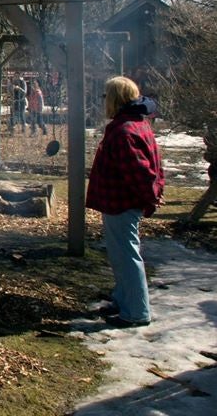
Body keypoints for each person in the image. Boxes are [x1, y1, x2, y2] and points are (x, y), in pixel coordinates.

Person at [86, 76, 164, 328]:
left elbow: (140, 172)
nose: (103, 101)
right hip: (119, 201)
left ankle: (137, 312)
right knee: (120, 255)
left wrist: (150, 196)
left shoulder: (124, 131)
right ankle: (123, 299)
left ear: (115, 99)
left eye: (106, 96)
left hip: (122, 202)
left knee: (127, 256)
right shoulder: (136, 123)